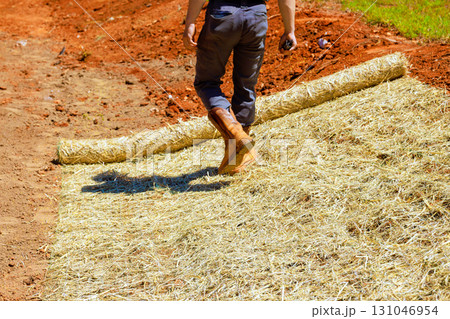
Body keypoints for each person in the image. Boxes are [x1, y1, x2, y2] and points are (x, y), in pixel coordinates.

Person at [183, 0, 297, 175]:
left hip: (223, 14)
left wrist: (190, 21)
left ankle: (236, 135)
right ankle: (238, 157)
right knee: (246, 85)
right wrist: (290, 30)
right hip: (256, 17)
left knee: (207, 82)